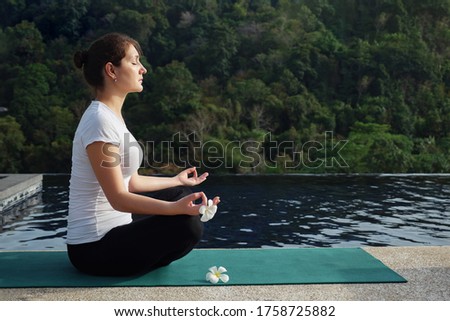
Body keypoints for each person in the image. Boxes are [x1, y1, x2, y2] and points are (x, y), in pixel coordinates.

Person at [67, 32, 220, 276]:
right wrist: (176, 210)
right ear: (111, 70)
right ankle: (141, 258)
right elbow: (118, 198)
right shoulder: (99, 122)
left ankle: (145, 255)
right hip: (93, 248)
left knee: (181, 194)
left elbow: (131, 181)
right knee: (187, 223)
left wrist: (176, 180)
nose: (143, 69)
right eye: (135, 61)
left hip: (119, 226)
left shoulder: (112, 117)